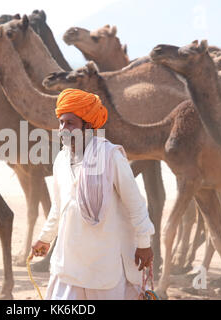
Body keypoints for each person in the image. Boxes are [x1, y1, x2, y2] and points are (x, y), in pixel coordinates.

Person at [31, 88, 155, 300]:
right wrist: (45, 238)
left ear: (87, 126)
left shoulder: (110, 156)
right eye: (61, 122)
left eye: (70, 123)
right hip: (69, 262)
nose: (63, 128)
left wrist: (144, 244)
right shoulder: (61, 160)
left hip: (105, 264)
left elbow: (136, 204)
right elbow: (59, 207)